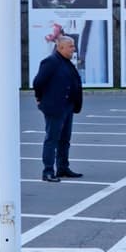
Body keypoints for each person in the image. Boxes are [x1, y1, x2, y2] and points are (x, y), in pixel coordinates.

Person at [32, 35, 84, 182]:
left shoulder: (66, 62)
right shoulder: (51, 62)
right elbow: (38, 82)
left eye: (73, 46)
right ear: (60, 47)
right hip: (55, 107)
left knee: (64, 140)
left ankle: (62, 168)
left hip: (67, 106)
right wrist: (39, 98)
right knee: (52, 139)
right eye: (71, 46)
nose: (74, 49)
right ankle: (48, 171)